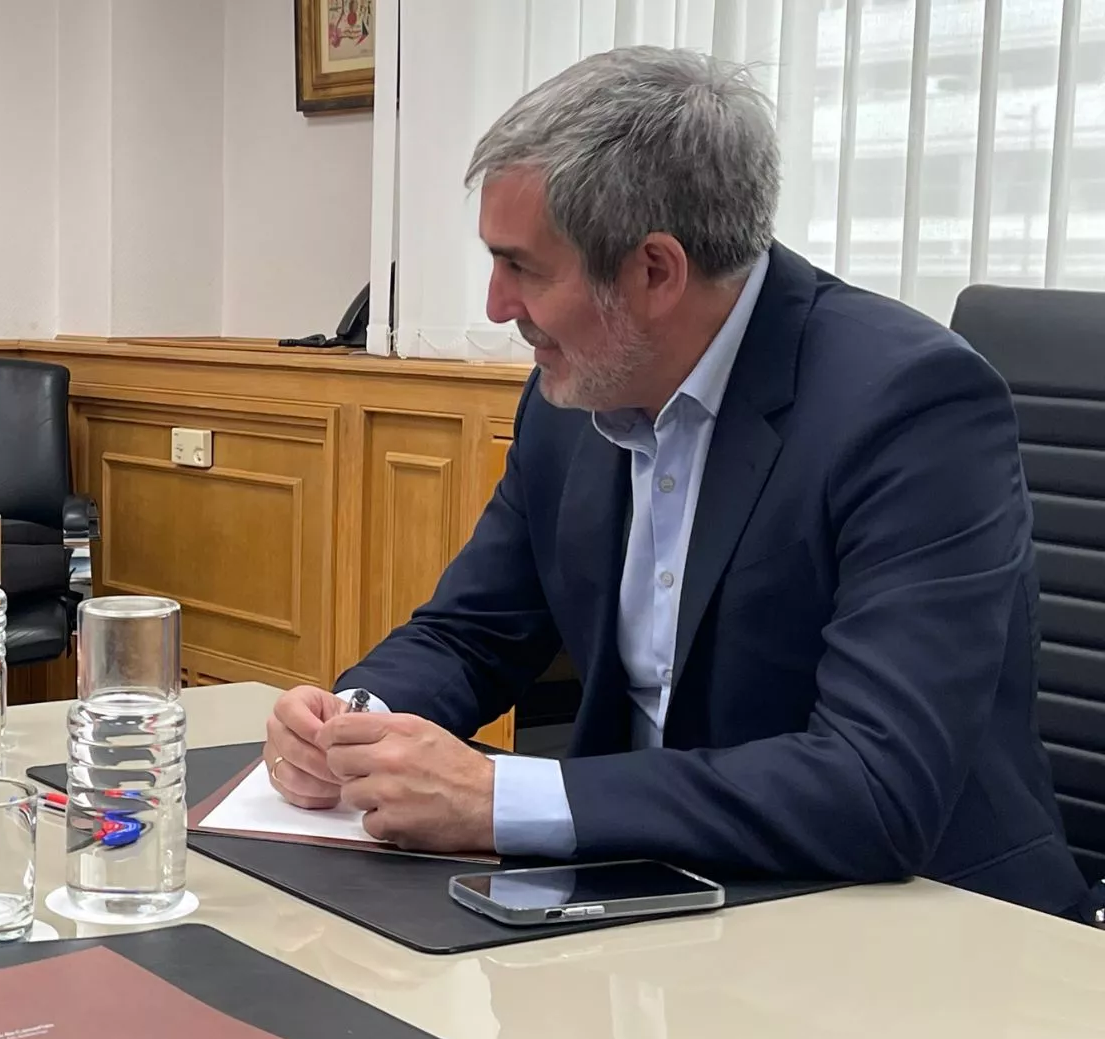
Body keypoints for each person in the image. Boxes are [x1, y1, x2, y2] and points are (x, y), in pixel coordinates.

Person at [263, 47, 1090, 919]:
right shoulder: (573, 398)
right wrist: (351, 720)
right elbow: (471, 632)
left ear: (655, 271)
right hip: (654, 901)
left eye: (525, 268)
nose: (497, 304)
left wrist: (500, 798)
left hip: (921, 932)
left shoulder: (910, 407)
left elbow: (873, 783)